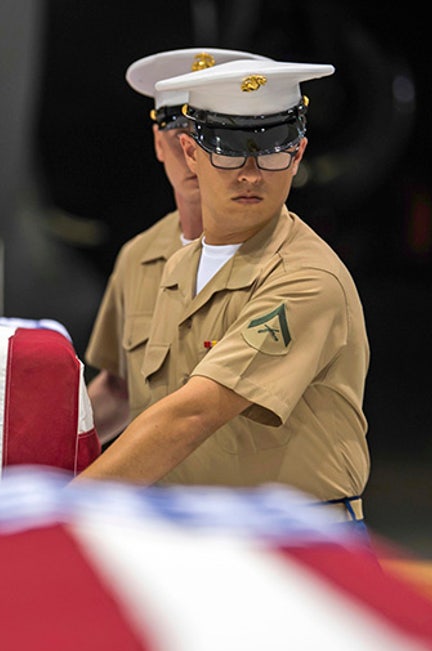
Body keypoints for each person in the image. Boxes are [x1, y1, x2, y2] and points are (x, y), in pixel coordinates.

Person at [73, 58, 370, 527]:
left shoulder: (306, 277)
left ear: (298, 154)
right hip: (196, 538)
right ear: (190, 153)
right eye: (228, 152)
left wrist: (64, 507)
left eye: (273, 153)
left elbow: (193, 414)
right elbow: (132, 395)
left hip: (294, 545)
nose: (250, 174)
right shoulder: (177, 267)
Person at [85, 48, 270, 444]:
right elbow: (118, 390)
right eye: (180, 135)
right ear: (159, 142)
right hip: (164, 495)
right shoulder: (139, 256)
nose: (194, 155)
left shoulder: (283, 259)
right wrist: (34, 459)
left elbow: (197, 413)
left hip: (250, 493)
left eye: (215, 137)